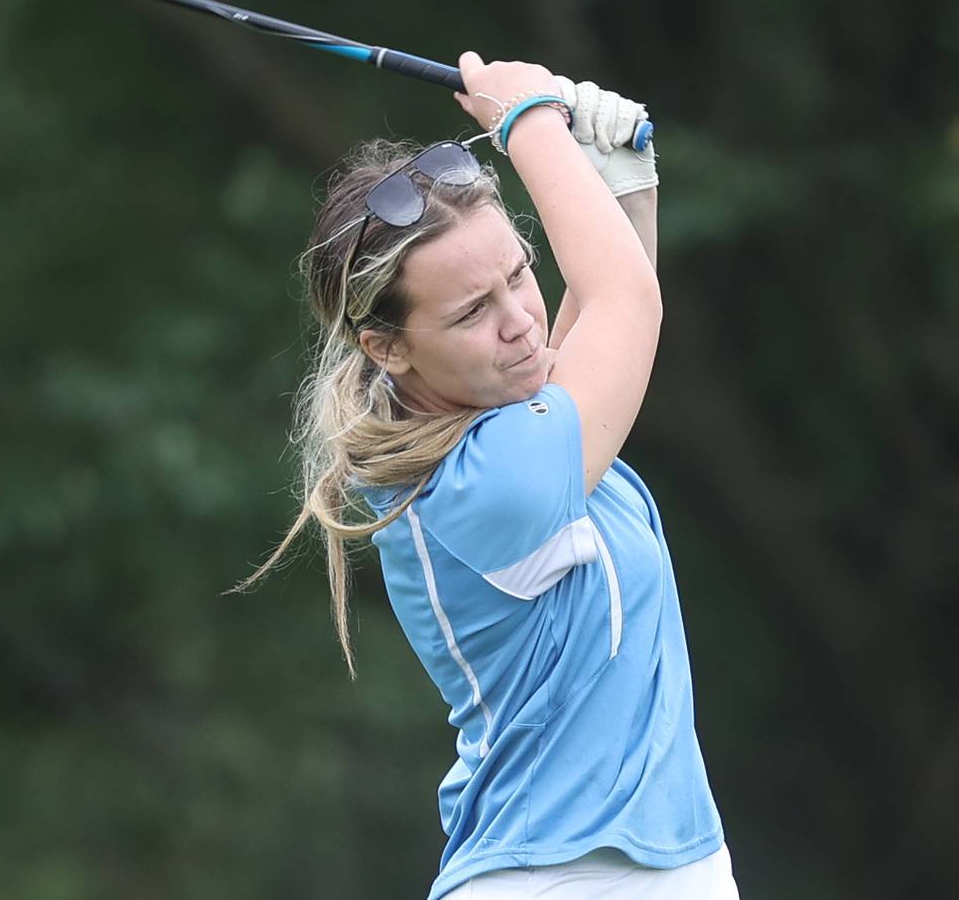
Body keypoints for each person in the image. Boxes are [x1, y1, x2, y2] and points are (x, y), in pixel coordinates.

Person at [243, 51, 739, 899]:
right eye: (473, 312)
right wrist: (527, 122)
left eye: (519, 276)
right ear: (389, 348)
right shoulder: (487, 483)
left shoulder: (521, 423)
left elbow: (608, 300)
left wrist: (622, 184)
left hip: (656, 868)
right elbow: (626, 304)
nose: (520, 322)